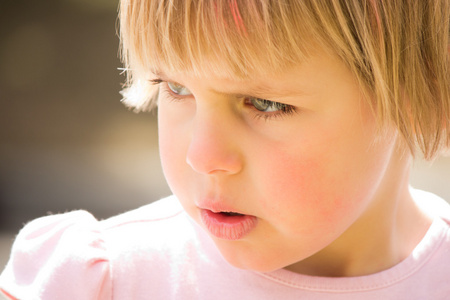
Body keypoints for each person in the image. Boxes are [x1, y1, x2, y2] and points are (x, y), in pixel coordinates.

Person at [1, 0, 449, 299]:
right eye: (175, 87)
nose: (202, 154)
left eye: (267, 104)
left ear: (414, 90)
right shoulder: (103, 282)